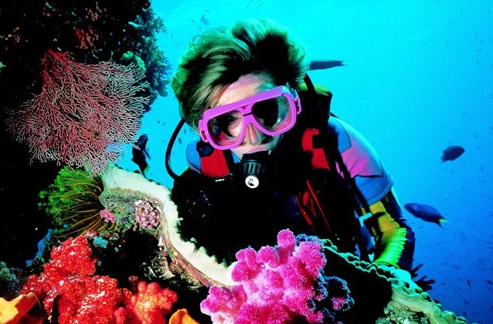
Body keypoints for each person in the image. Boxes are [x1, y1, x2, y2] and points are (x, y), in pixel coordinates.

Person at [169, 18, 415, 271]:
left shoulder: (337, 144)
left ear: (292, 101)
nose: (254, 136)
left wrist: (377, 281)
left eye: (265, 109)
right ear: (205, 130)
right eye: (228, 119)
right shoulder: (205, 168)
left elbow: (393, 228)